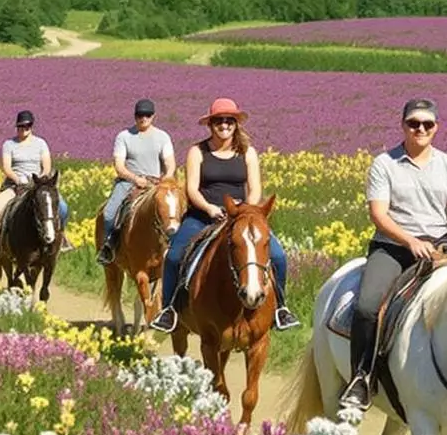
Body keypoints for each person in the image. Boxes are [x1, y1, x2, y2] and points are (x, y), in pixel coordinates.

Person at [340, 97, 447, 417]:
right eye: (414, 123)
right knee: (368, 305)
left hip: (440, 244)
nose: (421, 129)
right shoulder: (384, 164)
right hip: (394, 246)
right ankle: (362, 375)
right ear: (403, 125)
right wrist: (410, 241)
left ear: (436, 128)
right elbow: (379, 214)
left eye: (427, 124)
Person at [151, 97, 298, 332]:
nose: (224, 125)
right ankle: (169, 309)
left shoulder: (248, 152)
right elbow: (191, 188)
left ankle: (281, 308)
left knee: (278, 256)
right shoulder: (197, 151)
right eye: (219, 121)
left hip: (241, 217)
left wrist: (246, 211)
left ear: (236, 124)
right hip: (203, 216)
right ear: (210, 124)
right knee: (174, 256)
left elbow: (256, 188)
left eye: (229, 120)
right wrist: (210, 208)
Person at [97, 98, 175, 264]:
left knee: (174, 210)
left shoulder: (163, 137)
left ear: (154, 116)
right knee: (109, 213)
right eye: (140, 115)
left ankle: (176, 247)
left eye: (147, 115)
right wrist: (135, 179)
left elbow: (170, 162)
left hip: (155, 183)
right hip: (128, 182)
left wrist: (167, 177)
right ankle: (109, 245)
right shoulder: (124, 136)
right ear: (135, 116)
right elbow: (119, 166)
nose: (143, 118)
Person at [0, 108, 68, 240]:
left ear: (31, 126)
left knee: (62, 207)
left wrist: (40, 179)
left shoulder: (40, 143)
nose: (23, 129)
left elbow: (47, 166)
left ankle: (62, 236)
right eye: (20, 126)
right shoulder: (9, 144)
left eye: (27, 126)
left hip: (38, 184)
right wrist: (18, 179)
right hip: (15, 184)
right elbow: (7, 168)